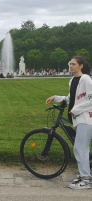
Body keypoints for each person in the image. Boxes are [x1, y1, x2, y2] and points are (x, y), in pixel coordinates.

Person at [45, 56, 92, 190]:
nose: (71, 66)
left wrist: (75, 109)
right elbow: (70, 98)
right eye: (70, 64)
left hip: (86, 118)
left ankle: (86, 179)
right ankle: (85, 175)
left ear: (81, 66)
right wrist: (56, 97)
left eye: (73, 64)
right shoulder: (73, 80)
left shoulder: (86, 79)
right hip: (78, 119)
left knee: (79, 148)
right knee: (83, 148)